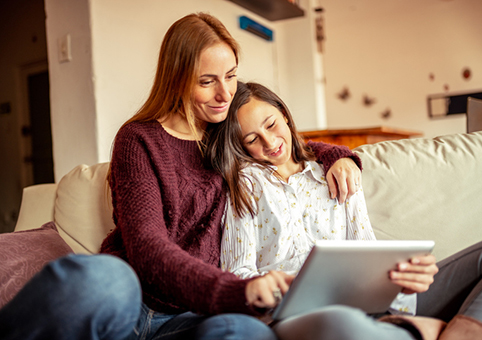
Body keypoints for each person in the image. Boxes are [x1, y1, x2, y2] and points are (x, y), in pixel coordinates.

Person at [0, 13, 361, 340]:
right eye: (207, 81)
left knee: (246, 330)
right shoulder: (138, 140)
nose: (224, 94)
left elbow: (282, 144)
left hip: (189, 318)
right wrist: (237, 291)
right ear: (177, 78)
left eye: (231, 76)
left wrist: (338, 155)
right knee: (104, 278)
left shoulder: (226, 136)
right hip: (129, 302)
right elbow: (146, 246)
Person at [205, 81, 482, 340]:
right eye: (252, 139)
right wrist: (272, 289)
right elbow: (237, 273)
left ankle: (454, 332)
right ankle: (410, 329)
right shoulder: (245, 184)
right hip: (298, 313)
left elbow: (365, 248)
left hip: (368, 299)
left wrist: (400, 280)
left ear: (284, 114)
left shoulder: (338, 172)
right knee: (342, 323)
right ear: (240, 146)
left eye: (271, 124)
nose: (269, 142)